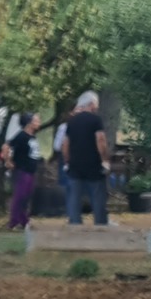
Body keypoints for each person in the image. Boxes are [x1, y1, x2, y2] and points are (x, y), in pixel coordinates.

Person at [59, 92, 110, 226]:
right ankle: (100, 224)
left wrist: (67, 161)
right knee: (98, 196)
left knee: (74, 197)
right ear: (92, 104)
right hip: (93, 164)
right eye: (96, 105)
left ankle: (75, 223)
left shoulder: (72, 121)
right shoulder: (96, 120)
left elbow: (65, 144)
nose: (97, 108)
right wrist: (104, 160)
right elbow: (100, 140)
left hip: (75, 164)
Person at [0, 113, 43, 230]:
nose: (39, 123)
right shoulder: (22, 136)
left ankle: (24, 220)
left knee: (26, 197)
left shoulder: (32, 137)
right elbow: (6, 146)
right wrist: (8, 161)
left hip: (31, 171)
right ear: (29, 123)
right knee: (20, 196)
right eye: (36, 120)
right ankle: (14, 222)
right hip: (22, 170)